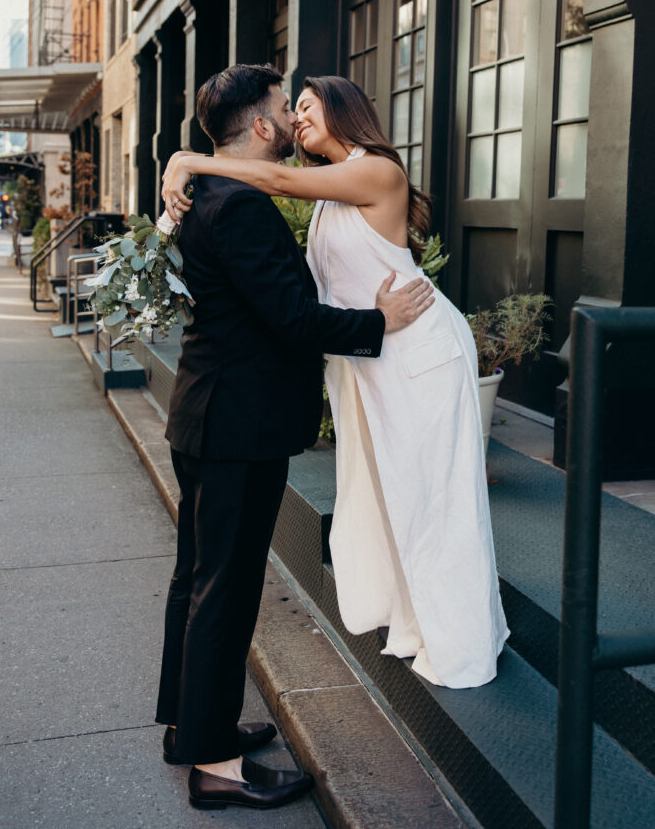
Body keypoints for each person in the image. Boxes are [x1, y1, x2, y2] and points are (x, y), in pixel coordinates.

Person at [163, 74, 510, 692]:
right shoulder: (329, 192)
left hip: (419, 354)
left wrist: (186, 158)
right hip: (373, 360)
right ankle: (414, 621)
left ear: (344, 109)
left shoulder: (373, 170)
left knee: (435, 501)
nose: (295, 118)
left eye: (305, 105)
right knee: (392, 497)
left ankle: (461, 639)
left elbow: (273, 179)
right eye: (288, 108)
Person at [156, 64, 434, 812]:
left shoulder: (208, 194)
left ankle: (193, 728)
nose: (290, 117)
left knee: (198, 578)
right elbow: (292, 319)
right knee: (224, 588)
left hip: (211, 416)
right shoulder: (237, 204)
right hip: (235, 426)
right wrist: (380, 324)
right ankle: (214, 767)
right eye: (284, 107)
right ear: (261, 127)